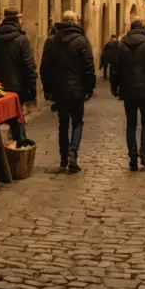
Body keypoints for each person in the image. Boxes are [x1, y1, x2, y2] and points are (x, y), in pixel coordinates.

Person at [40, 11, 96, 173]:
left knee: (63, 124)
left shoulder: (51, 41)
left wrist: (48, 89)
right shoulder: (82, 41)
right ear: (76, 23)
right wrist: (89, 88)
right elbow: (88, 68)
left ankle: (64, 157)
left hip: (59, 90)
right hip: (77, 90)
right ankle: (73, 152)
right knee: (77, 122)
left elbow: (45, 68)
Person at [110, 19, 145, 171]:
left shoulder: (122, 45)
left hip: (128, 90)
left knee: (131, 124)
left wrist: (114, 87)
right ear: (144, 28)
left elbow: (116, 69)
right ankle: (144, 154)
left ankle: (132, 156)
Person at [0, 7, 37, 146]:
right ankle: (19, 151)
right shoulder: (21, 40)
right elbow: (28, 66)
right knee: (17, 120)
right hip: (17, 88)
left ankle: (0, 152)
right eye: (20, 18)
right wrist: (32, 88)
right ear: (17, 20)